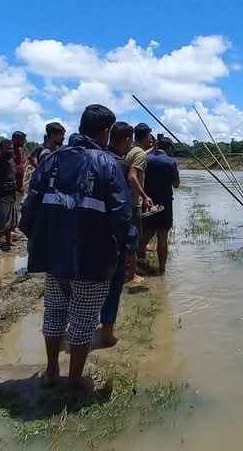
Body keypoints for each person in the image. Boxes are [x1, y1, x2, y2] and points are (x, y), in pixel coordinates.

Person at [20, 104, 131, 394]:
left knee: (54, 311)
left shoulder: (51, 160)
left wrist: (40, 243)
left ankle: (51, 370)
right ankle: (75, 380)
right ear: (105, 131)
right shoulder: (109, 163)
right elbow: (121, 215)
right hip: (92, 258)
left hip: (54, 257)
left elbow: (30, 208)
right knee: (83, 318)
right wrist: (128, 249)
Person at [99, 121, 139, 348]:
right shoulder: (119, 165)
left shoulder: (88, 159)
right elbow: (122, 210)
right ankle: (107, 332)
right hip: (110, 235)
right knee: (113, 286)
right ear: (126, 140)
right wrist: (130, 244)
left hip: (83, 233)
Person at [142, 137, 180, 275]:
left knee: (147, 233)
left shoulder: (146, 159)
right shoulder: (171, 162)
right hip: (165, 204)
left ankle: (135, 263)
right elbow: (176, 184)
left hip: (148, 202)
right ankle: (162, 270)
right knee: (163, 237)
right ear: (169, 148)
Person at [124, 123, 155, 275]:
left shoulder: (132, 150)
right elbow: (132, 176)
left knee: (127, 236)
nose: (151, 138)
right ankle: (132, 274)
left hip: (124, 200)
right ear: (146, 136)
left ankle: (129, 269)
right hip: (133, 202)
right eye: (149, 136)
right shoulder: (140, 154)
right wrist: (145, 197)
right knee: (133, 238)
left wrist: (152, 149)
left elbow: (140, 155)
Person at [11, 131, 27, 196]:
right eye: (22, 140)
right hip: (11, 188)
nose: (23, 142)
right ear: (15, 140)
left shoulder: (19, 150)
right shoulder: (9, 151)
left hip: (18, 187)